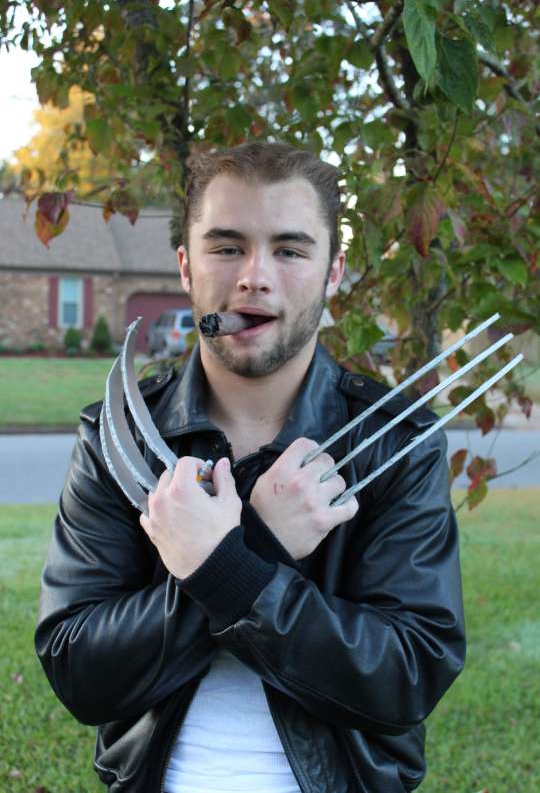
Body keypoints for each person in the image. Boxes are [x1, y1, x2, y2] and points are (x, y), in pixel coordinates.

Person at [35, 141, 465, 793]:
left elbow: (406, 678)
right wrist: (257, 546)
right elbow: (80, 674)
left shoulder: (392, 442)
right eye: (227, 246)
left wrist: (233, 567)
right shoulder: (119, 434)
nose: (254, 277)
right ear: (185, 266)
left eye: (290, 250)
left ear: (333, 271)